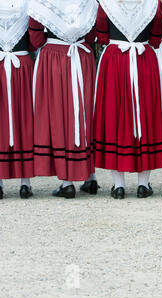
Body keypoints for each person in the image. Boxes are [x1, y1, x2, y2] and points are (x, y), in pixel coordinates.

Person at [94, 0, 162, 200]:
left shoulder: (106, 4)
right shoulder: (155, 4)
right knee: (145, 114)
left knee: (114, 114)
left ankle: (119, 185)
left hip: (115, 60)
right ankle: (143, 184)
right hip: (144, 60)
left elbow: (102, 36)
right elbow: (155, 40)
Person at [28, 0, 99, 199]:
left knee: (60, 114)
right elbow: (93, 35)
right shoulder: (88, 3)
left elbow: (36, 39)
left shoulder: (42, 3)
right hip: (82, 57)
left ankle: (67, 182)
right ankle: (90, 177)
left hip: (54, 59)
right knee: (84, 113)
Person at [0, 0, 34, 200]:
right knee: (25, 119)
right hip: (22, 65)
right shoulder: (26, 5)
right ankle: (25, 182)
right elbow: (33, 41)